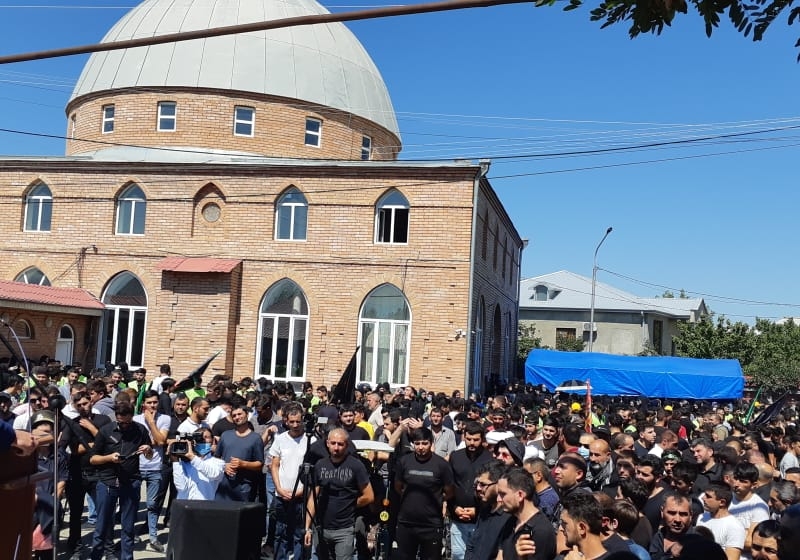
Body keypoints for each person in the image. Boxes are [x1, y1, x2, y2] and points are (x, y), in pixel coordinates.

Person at [88, 401, 153, 560]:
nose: (124, 426)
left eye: (127, 422)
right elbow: (93, 459)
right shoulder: (105, 431)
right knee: (102, 525)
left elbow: (150, 455)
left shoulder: (140, 430)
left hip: (131, 482)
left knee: (128, 526)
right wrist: (109, 458)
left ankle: (127, 557)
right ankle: (96, 555)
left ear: (132, 417)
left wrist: (148, 450)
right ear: (116, 417)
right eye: (120, 422)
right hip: (107, 481)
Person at [303, 428, 374, 560]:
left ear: (346, 445)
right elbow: (313, 497)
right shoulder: (320, 465)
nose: (336, 447)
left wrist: (351, 504)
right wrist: (307, 528)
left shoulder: (356, 466)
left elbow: (369, 496)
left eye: (340, 444)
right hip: (321, 528)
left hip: (344, 529)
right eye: (333, 443)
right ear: (328, 443)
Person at [59, 390, 111, 558]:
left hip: (99, 473)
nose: (83, 407)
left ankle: (107, 547)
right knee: (75, 513)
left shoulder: (103, 420)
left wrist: (92, 429)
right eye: (78, 405)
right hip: (78, 473)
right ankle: (75, 546)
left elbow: (109, 443)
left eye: (85, 403)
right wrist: (95, 443)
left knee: (105, 513)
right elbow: (70, 448)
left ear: (91, 401)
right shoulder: (72, 423)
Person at [394, 426, 455, 560]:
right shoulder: (404, 462)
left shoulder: (441, 465)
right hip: (406, 523)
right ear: (413, 444)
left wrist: (438, 498)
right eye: (417, 443)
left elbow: (449, 491)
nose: (421, 447)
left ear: (431, 443)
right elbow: (398, 486)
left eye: (424, 443)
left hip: (431, 524)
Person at [270, 403, 315, 560]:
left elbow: (314, 472)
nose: (295, 425)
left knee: (299, 533)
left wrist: (302, 491)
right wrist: (279, 488)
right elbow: (274, 466)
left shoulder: (311, 440)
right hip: (282, 495)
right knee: (280, 532)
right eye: (292, 422)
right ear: (285, 421)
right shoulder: (280, 439)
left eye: (298, 421)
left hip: (301, 496)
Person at [133, 389, 170, 553]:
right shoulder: (135, 420)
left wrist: (151, 422)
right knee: (132, 503)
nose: (152, 405)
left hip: (155, 467)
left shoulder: (165, 419)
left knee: (152, 504)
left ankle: (153, 537)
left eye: (155, 402)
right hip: (137, 467)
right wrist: (152, 439)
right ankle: (131, 534)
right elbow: (135, 443)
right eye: (149, 403)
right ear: (143, 404)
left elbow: (162, 441)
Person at [448, 421, 493, 560]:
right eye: (469, 439)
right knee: (458, 555)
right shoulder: (455, 456)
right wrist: (453, 508)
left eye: (476, 440)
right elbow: (450, 485)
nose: (472, 443)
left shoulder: (489, 459)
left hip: (480, 519)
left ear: (482, 440)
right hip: (457, 517)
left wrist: (477, 511)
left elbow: (492, 491)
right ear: (464, 437)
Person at [498, 466, 556, 560]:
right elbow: (500, 555)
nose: (498, 499)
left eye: (503, 494)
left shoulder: (541, 531)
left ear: (520, 495)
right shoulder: (511, 521)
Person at [215, 404, 264, 501]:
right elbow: (216, 458)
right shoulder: (225, 435)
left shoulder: (256, 438)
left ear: (246, 414)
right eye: (234, 415)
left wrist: (243, 464)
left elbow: (259, 464)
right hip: (224, 487)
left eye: (239, 414)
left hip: (244, 488)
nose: (237, 417)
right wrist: (224, 466)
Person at [465, 460, 513, 560]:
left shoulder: (509, 518)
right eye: (477, 484)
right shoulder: (485, 509)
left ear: (498, 484)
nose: (478, 488)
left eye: (483, 484)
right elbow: (472, 544)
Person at [171, 427, 225, 499]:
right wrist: (175, 461)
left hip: (203, 507)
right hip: (184, 505)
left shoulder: (218, 463)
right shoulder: (185, 462)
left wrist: (192, 457)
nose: (202, 440)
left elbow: (213, 474)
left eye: (206, 437)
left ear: (213, 441)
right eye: (199, 438)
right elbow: (181, 487)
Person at [696, 483, 746, 560]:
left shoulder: (734, 527)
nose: (703, 498)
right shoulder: (702, 517)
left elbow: (732, 558)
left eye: (708, 496)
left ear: (722, 502)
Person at [649, 492, 695, 560]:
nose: (677, 520)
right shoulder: (657, 536)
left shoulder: (697, 545)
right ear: (662, 512)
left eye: (683, 514)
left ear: (691, 515)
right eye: (672, 513)